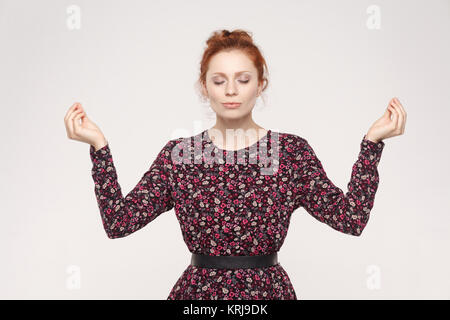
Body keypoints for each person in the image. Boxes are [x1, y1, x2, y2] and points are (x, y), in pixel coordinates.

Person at [63, 29, 407, 300]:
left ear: (261, 85)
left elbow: (351, 219)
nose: (231, 90)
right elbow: (118, 223)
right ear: (204, 88)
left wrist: (373, 144)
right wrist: (99, 148)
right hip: (199, 295)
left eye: (243, 79)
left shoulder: (290, 152)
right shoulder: (179, 156)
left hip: (267, 295)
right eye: (219, 80)